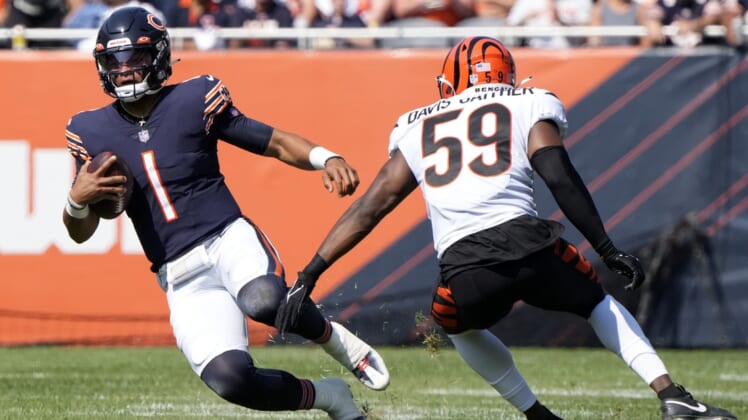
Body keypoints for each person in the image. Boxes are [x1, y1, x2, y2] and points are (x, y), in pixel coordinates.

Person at [275, 36, 737, 420]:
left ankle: (536, 415)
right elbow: (558, 176)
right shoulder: (529, 101)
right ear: (507, 75)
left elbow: (369, 209)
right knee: (596, 301)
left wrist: (309, 274)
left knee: (451, 323)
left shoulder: (415, 126)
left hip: (465, 269)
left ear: (449, 82)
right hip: (531, 246)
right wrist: (605, 246)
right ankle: (671, 395)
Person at [62, 6, 389, 420]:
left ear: (159, 55)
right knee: (230, 380)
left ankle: (336, 341)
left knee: (264, 300)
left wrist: (326, 157)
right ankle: (330, 397)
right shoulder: (89, 131)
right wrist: (76, 201)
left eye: (136, 58)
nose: (125, 71)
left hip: (226, 239)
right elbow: (80, 231)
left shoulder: (194, 98)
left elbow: (272, 141)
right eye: (114, 61)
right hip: (178, 274)